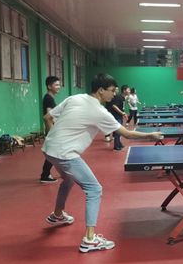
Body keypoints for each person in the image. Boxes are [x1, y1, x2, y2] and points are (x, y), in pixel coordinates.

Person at [42, 74, 163, 253]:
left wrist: (54, 139)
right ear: (100, 90)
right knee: (94, 189)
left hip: (48, 149)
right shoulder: (99, 111)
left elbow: (47, 117)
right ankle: (90, 239)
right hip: (66, 154)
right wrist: (150, 135)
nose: (114, 94)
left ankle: (57, 215)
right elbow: (127, 134)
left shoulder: (74, 98)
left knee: (68, 180)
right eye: (112, 91)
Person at [39, 76, 61, 183]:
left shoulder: (50, 97)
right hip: (52, 130)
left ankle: (46, 174)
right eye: (56, 85)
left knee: (54, 152)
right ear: (49, 86)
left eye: (59, 84)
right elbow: (49, 116)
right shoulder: (48, 98)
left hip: (53, 129)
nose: (59, 87)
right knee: (52, 153)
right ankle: (45, 175)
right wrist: (53, 131)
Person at [106, 85, 128, 150]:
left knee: (119, 131)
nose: (129, 91)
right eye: (128, 90)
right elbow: (114, 106)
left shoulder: (122, 97)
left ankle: (119, 143)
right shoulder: (119, 97)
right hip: (116, 116)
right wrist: (122, 113)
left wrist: (123, 113)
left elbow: (122, 107)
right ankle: (116, 146)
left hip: (119, 116)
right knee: (118, 131)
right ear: (124, 90)